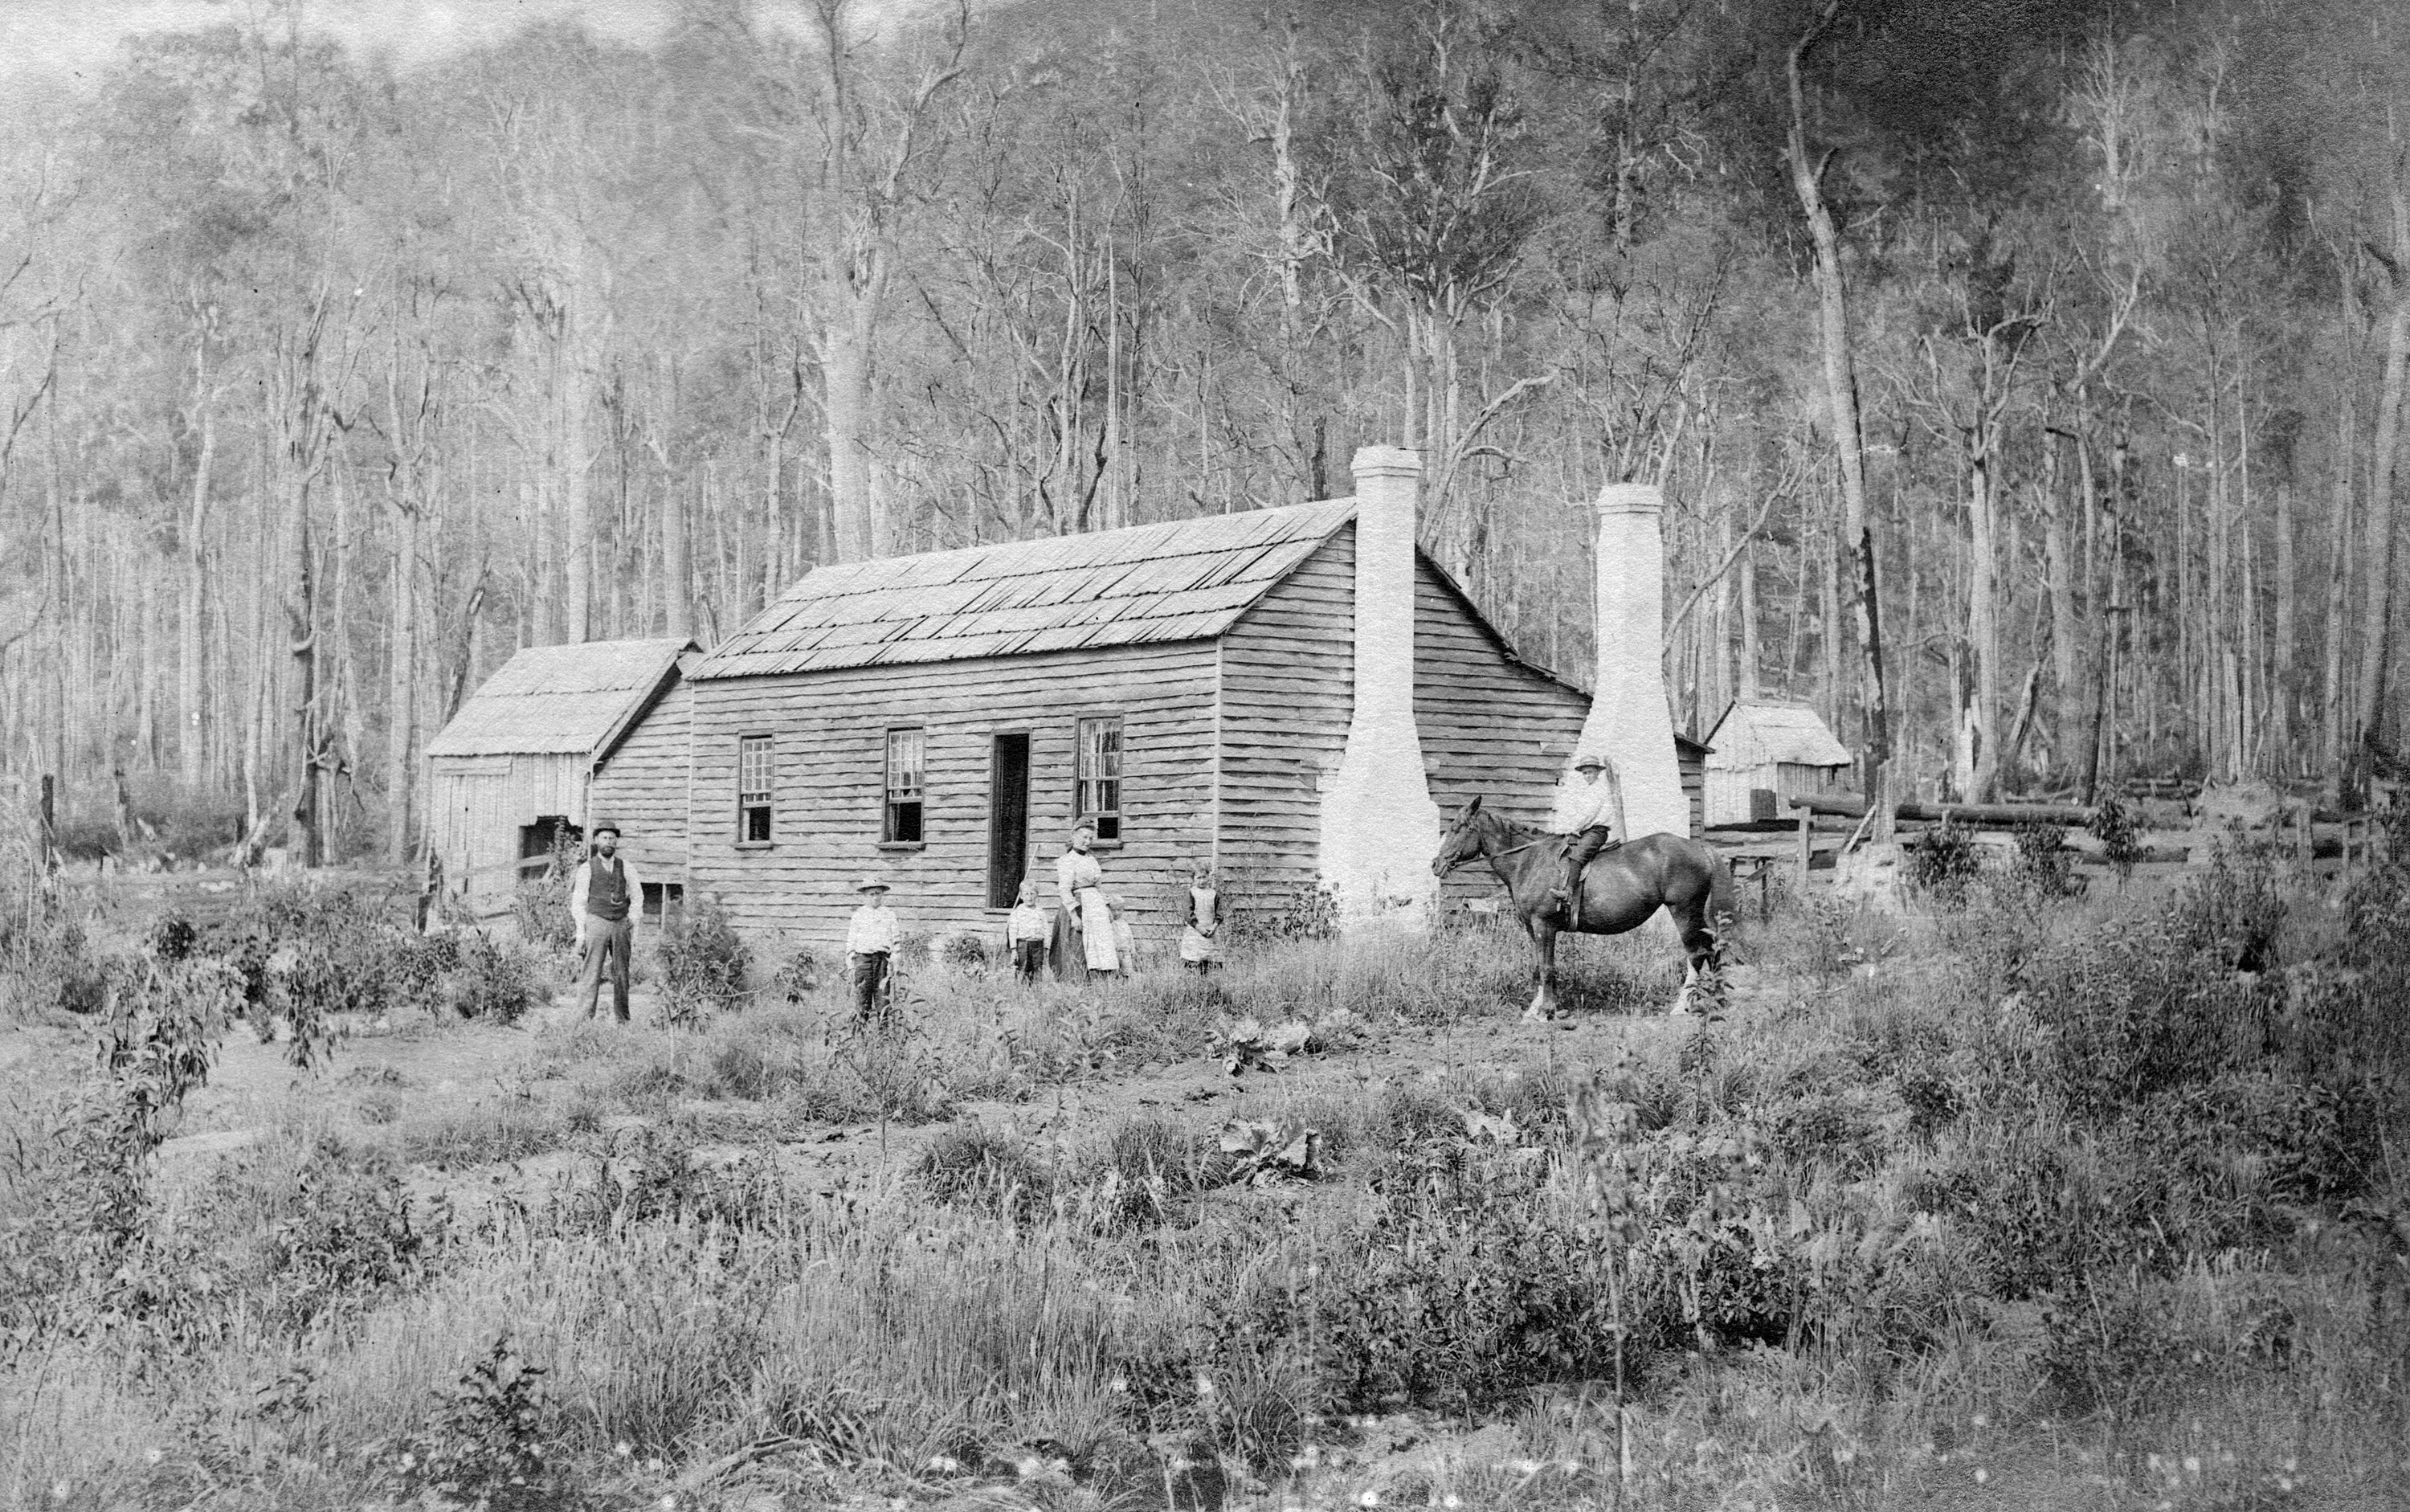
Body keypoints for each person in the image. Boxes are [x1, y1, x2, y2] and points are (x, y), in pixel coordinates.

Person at [570, 819, 646, 1023]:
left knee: (622, 974)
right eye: (604, 838)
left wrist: (633, 916)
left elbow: (638, 895)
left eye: (612, 838)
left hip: (621, 923)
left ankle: (623, 1020)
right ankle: (583, 1021)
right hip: (596, 921)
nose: (608, 842)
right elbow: (578, 902)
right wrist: (581, 933)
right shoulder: (587, 868)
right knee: (592, 972)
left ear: (616, 842)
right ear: (596, 840)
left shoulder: (626, 867)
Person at [1546, 753, 1622, 919]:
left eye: (1591, 772)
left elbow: (1589, 814)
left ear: (1598, 772)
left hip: (1597, 831)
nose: (1588, 776)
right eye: (1585, 773)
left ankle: (1568, 893)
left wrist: (1575, 828)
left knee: (1576, 857)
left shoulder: (1599, 790)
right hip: (1587, 830)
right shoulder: (1588, 790)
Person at [1051, 819, 1118, 980]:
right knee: (1078, 944)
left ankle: (1100, 980)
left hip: (1096, 906)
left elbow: (1099, 887)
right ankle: (1078, 981)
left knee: (1100, 944)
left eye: (1091, 838)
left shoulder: (1091, 860)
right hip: (1080, 905)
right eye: (1084, 837)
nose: (1088, 842)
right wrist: (1074, 915)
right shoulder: (1067, 860)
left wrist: (1107, 907)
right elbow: (1065, 889)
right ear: (1074, 835)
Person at [845, 877, 900, 1021]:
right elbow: (851, 942)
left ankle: (884, 1037)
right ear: (865, 896)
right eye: (872, 894)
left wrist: (895, 960)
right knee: (863, 998)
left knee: (883, 998)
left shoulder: (889, 915)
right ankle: (862, 1036)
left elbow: (896, 941)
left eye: (878, 893)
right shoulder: (858, 915)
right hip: (863, 961)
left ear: (882, 894)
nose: (875, 897)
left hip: (882, 961)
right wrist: (851, 965)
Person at [1178, 862, 1222, 975]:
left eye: (1204, 877)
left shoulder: (1213, 893)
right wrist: (1200, 928)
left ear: (1208, 877)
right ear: (1193, 879)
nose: (1202, 881)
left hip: (1211, 932)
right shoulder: (1191, 893)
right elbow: (1188, 914)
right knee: (1194, 962)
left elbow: (1219, 913)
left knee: (1212, 962)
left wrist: (1214, 927)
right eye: (1199, 878)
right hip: (1195, 931)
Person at [1007, 877, 1049, 985]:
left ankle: (1036, 992)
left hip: (1038, 945)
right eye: (1026, 894)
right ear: (1021, 896)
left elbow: (1046, 930)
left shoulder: (1040, 911)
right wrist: (1014, 949)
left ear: (1037, 895)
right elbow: (1012, 930)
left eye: (1032, 894)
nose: (1029, 897)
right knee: (1023, 969)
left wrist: (1046, 947)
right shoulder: (1018, 912)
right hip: (1023, 944)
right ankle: (1021, 993)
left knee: (1037, 969)